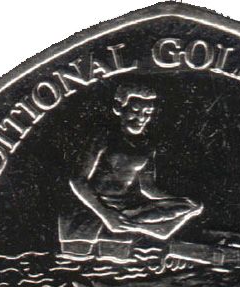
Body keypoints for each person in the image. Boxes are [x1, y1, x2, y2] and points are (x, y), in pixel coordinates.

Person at [58, 85, 203, 256]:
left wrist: (181, 202)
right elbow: (77, 179)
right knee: (72, 262)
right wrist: (105, 214)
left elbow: (148, 188)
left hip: (123, 211)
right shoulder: (103, 137)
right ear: (119, 108)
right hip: (87, 208)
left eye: (147, 113)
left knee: (115, 265)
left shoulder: (146, 145)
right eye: (135, 111)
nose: (141, 118)